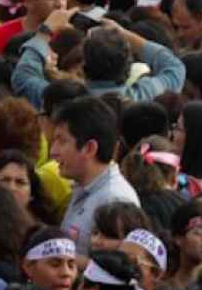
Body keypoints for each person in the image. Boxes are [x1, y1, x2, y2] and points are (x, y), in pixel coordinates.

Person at [50, 96, 138, 253]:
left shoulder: (114, 200)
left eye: (62, 141)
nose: (53, 152)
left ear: (89, 148)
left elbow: (117, 267)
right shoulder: (84, 186)